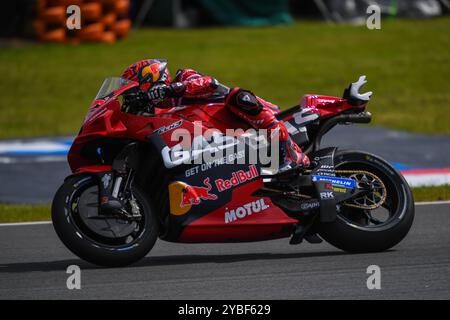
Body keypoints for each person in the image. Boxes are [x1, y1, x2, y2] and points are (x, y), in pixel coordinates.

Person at [99, 58, 309, 214]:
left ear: (151, 79)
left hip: (252, 122)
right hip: (231, 142)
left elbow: (210, 83)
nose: (139, 97)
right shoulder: (162, 114)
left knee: (239, 96)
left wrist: (172, 89)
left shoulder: (184, 77)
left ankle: (290, 154)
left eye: (137, 89)